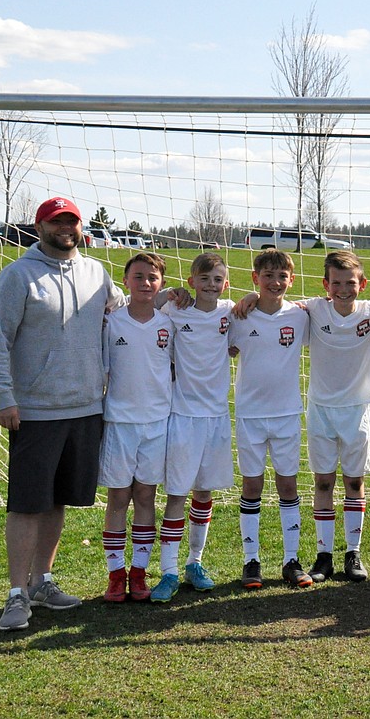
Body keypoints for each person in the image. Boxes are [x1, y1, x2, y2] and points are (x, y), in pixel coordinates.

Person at [0, 196, 124, 631]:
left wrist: (173, 298)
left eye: (72, 221)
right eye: (56, 222)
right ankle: (16, 593)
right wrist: (3, 396)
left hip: (86, 408)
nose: (65, 228)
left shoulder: (96, 272)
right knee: (27, 503)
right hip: (34, 411)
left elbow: (127, 308)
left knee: (57, 499)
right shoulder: (17, 276)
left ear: (81, 227)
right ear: (39, 226)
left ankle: (42, 581)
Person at [149, 252, 235, 602]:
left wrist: (252, 298)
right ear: (192, 282)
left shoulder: (231, 312)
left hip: (216, 417)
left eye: (217, 280)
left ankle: (194, 563)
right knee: (177, 494)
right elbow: (141, 305)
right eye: (204, 279)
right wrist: (167, 292)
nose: (211, 285)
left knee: (204, 493)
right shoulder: (175, 310)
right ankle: (167, 571)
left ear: (225, 284)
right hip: (183, 416)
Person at [303, 250, 370, 583]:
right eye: (336, 283)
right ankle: (323, 555)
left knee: (355, 482)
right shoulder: (312, 309)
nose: (343, 289)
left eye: (350, 282)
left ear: (362, 284)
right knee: (323, 481)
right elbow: (279, 305)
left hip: (358, 409)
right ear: (326, 285)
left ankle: (353, 553)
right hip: (321, 410)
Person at [228, 248, 311, 589]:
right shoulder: (238, 316)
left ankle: (291, 560)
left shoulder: (301, 315)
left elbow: (331, 302)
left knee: (288, 485)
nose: (275, 282)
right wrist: (246, 299)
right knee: (252, 485)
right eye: (268, 276)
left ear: (291, 280)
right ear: (255, 278)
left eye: (282, 276)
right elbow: (225, 346)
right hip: (250, 414)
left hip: (287, 413)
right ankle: (251, 561)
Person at [99, 252, 175, 602]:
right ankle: (116, 574)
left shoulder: (168, 323)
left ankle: (140, 572)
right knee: (118, 497)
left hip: (158, 422)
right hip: (120, 423)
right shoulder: (111, 322)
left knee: (146, 496)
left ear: (161, 283)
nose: (146, 283)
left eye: (152, 278)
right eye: (139, 276)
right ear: (126, 281)